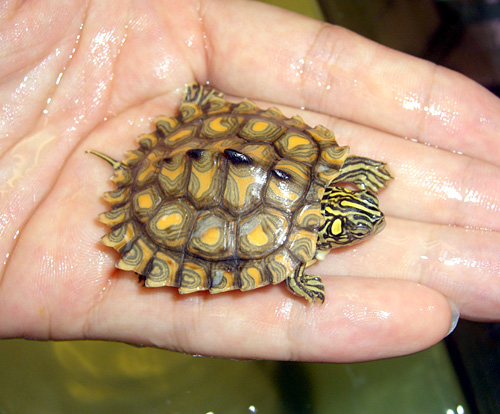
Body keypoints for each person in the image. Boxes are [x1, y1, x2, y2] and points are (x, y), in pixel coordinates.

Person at [0, 0, 498, 362]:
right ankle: (174, 161)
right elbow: (288, 263)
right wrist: (299, 277)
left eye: (357, 216)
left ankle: (196, 114)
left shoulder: (317, 181)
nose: (364, 216)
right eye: (356, 217)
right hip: (181, 175)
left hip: (209, 139)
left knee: (245, 160)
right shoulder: (293, 253)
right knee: (236, 162)